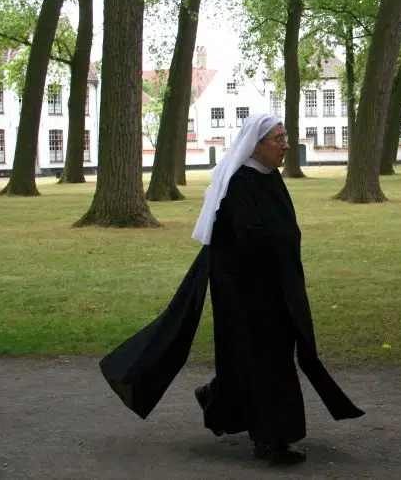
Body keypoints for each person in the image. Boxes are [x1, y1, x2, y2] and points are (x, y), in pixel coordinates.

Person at [99, 114, 364, 465]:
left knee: (259, 357)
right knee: (266, 360)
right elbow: (248, 240)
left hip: (273, 286)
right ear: (256, 146)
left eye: (286, 137)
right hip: (245, 291)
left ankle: (218, 397)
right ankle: (271, 440)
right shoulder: (239, 184)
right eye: (279, 139)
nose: (286, 145)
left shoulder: (269, 178)